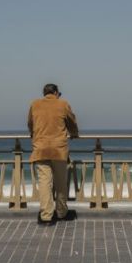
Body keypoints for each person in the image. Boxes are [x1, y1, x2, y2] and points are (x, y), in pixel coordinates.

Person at [27, 83, 79, 226]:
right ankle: (61, 212)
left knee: (44, 183)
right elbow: (71, 121)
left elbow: (30, 124)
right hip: (58, 150)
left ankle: (46, 216)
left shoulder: (35, 104)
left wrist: (33, 134)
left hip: (41, 149)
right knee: (60, 182)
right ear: (56, 93)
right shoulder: (63, 104)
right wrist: (74, 133)